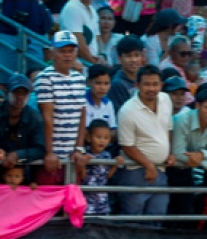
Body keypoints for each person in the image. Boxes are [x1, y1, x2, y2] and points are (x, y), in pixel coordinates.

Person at [114, 64, 176, 220]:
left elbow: (168, 128)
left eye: (155, 84)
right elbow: (127, 145)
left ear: (161, 85)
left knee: (157, 216)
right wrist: (148, 165)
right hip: (135, 172)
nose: (151, 88)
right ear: (137, 86)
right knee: (133, 219)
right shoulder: (127, 111)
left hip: (161, 171)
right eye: (147, 84)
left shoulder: (166, 99)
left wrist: (170, 153)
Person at [35, 31, 88, 186]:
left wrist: (79, 148)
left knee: (71, 204)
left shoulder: (79, 78)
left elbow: (82, 114)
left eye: (71, 51)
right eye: (62, 51)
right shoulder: (45, 77)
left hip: (72, 156)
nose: (67, 56)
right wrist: (50, 152)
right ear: (53, 52)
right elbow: (47, 117)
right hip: (53, 157)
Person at [169, 86, 207, 221]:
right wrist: (206, 163)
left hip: (196, 172)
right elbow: (178, 153)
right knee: (181, 213)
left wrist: (201, 155)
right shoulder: (183, 119)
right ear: (197, 105)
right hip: (176, 170)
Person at [0, 74, 46, 182]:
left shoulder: (34, 118)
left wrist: (18, 155)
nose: (20, 97)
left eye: (24, 93)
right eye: (16, 92)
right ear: (7, 93)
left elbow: (40, 149)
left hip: (23, 176)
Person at [79, 119, 123, 215]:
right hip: (87, 198)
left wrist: (115, 165)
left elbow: (107, 176)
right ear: (88, 138)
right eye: (98, 137)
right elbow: (82, 177)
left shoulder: (107, 155)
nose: (102, 141)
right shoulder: (84, 154)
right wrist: (82, 164)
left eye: (106, 138)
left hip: (102, 199)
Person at [108, 36, 145, 115]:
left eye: (136, 55)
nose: (133, 60)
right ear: (119, 59)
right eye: (128, 56)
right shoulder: (117, 84)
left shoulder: (144, 79)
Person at [59, 0, 104, 65]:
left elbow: (98, 37)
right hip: (77, 65)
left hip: (91, 65)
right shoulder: (72, 7)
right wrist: (93, 63)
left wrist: (102, 55)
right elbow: (77, 40)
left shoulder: (92, 10)